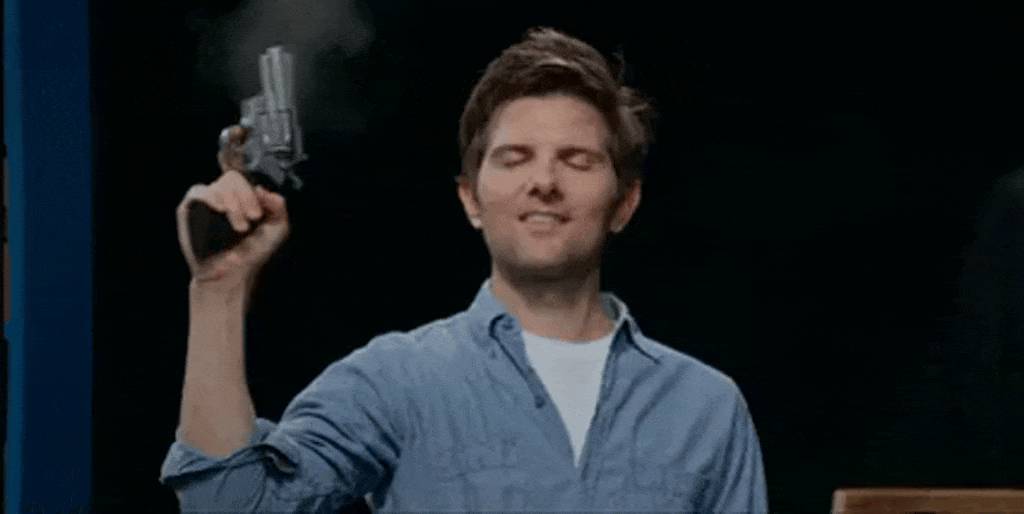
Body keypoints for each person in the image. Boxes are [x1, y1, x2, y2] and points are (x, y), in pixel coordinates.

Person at [159, 26, 769, 513]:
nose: (544, 181)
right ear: (470, 200)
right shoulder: (396, 381)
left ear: (625, 203)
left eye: (577, 160)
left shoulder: (705, 408)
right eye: (514, 158)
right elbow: (228, 503)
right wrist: (218, 289)